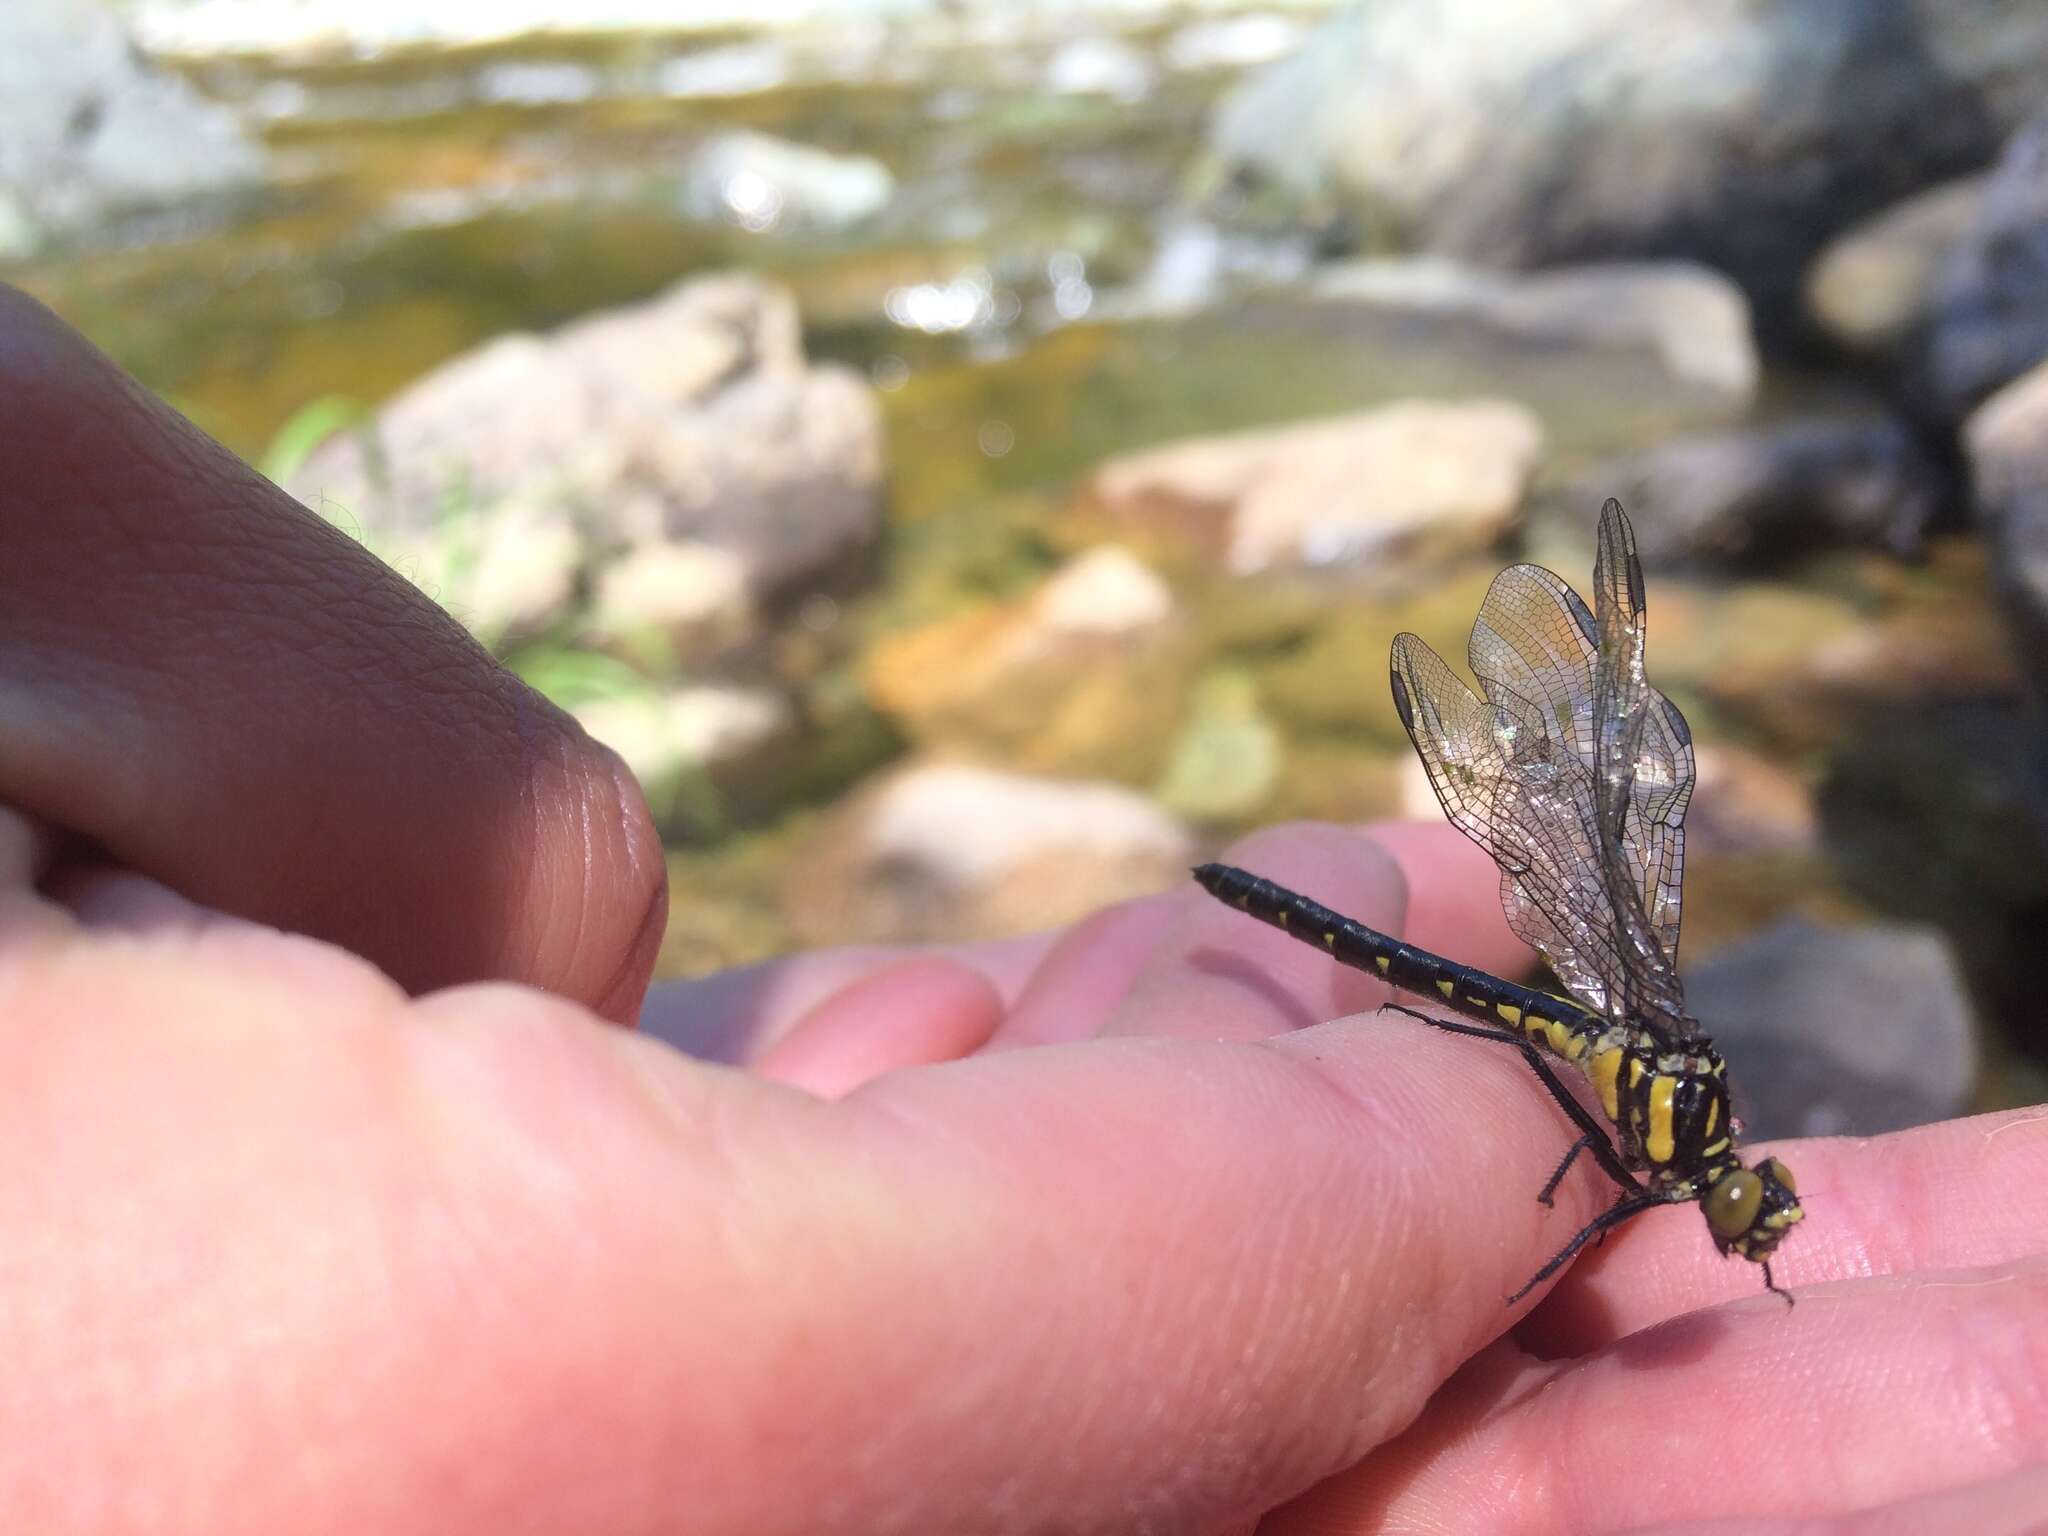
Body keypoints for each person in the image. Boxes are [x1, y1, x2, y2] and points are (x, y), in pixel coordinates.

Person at [0, 281, 2042, 1536]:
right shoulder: (1650, 1115)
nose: (1742, 1212)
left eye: (1739, 1213)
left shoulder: (1667, 1131)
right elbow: (1585, 1173)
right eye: (1752, 1206)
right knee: (1467, 1012)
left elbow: (1611, 1173)